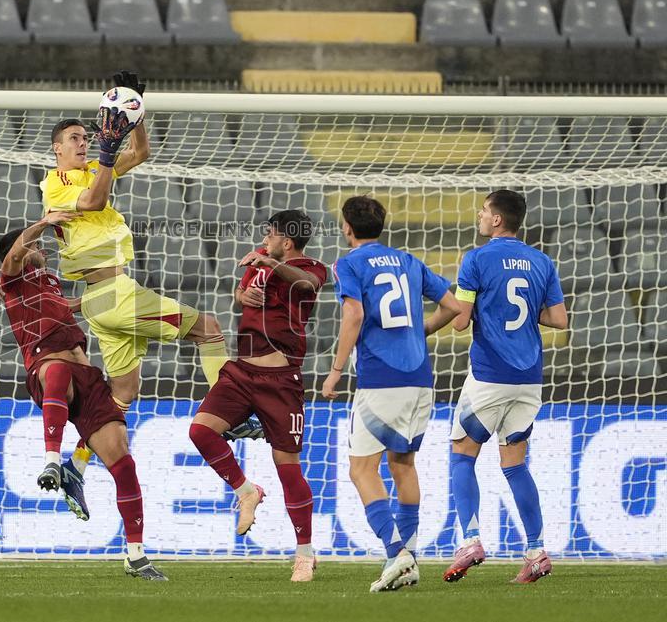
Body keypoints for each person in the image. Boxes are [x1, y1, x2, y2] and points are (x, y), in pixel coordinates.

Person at [41, 72, 254, 519]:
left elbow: (141, 152)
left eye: (86, 137)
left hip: (101, 300)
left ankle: (76, 466)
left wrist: (135, 109)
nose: (83, 143)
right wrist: (105, 154)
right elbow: (95, 202)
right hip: (115, 294)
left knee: (124, 391)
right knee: (210, 329)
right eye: (74, 139)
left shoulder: (93, 170)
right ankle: (230, 413)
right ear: (57, 148)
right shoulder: (56, 182)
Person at [0, 212, 167, 581]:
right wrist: (44, 222)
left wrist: (107, 297)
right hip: (46, 369)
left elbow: (69, 307)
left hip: (87, 376)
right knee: (58, 372)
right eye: (35, 246)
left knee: (123, 461)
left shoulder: (49, 282)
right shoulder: (12, 280)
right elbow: (14, 256)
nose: (42, 250)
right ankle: (52, 460)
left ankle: (136, 555)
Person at [322, 196, 461, 592]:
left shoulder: (349, 263)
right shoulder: (408, 261)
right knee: (403, 465)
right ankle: (409, 558)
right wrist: (423, 329)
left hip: (381, 379)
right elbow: (453, 306)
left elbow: (354, 314)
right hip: (420, 380)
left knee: (361, 469)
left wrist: (335, 371)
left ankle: (395, 551)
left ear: (347, 227)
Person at [187, 210, 326, 582]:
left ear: (287, 241)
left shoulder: (311, 268)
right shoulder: (259, 260)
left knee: (288, 469)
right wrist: (243, 294)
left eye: (270, 235)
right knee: (200, 431)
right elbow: (241, 296)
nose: (264, 241)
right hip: (241, 371)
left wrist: (269, 263)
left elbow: (308, 285)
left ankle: (304, 554)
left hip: (280, 380)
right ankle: (246, 490)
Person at [444, 190, 567, 585]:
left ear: (497, 219)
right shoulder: (541, 261)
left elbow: (459, 321)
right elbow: (559, 319)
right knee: (514, 465)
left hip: (490, 373)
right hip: (529, 378)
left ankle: (470, 541)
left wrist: (478, 306)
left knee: (462, 455)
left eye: (484, 211)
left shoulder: (476, 259)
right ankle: (536, 552)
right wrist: (525, 313)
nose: (480, 216)